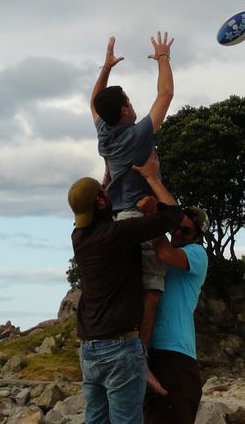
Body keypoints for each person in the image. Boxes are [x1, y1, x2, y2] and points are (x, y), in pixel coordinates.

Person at [90, 32, 175, 392]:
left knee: (128, 291)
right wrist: (163, 59)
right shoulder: (134, 136)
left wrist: (106, 68)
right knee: (152, 289)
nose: (131, 104)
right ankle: (142, 362)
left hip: (114, 223)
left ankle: (126, 357)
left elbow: (94, 104)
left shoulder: (104, 135)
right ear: (124, 110)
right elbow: (166, 96)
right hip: (138, 219)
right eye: (127, 101)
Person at [68, 163, 183, 424]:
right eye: (103, 192)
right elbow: (173, 216)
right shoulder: (115, 235)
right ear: (98, 202)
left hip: (89, 348)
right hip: (119, 349)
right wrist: (152, 178)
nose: (108, 193)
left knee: (95, 420)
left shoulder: (79, 237)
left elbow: (101, 208)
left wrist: (107, 182)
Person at [133, 154, 209, 424]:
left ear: (198, 237)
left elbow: (164, 253)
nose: (176, 234)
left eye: (184, 232)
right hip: (148, 353)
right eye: (175, 229)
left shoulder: (197, 254)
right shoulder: (164, 249)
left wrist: (154, 217)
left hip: (176, 359)